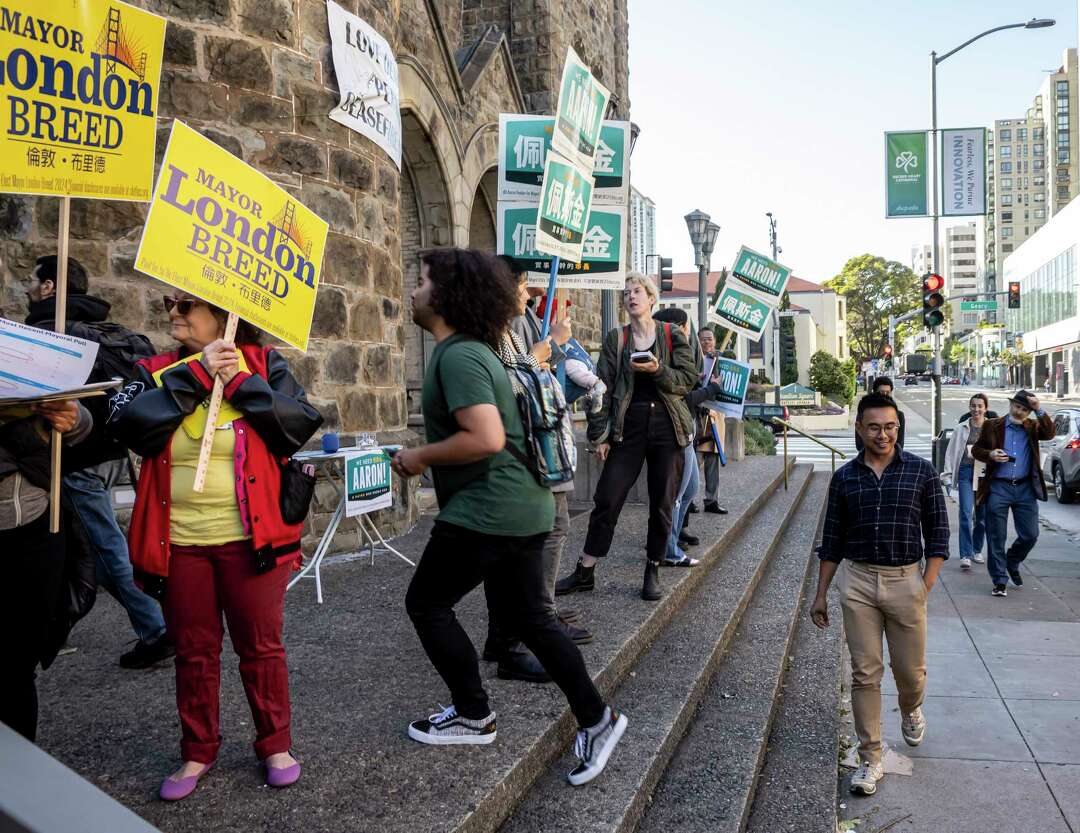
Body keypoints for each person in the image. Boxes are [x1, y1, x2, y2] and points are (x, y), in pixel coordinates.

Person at [394, 249, 626, 786]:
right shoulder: (476, 352)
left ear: (448, 295)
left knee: (427, 603)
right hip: (524, 506)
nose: (413, 291)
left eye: (422, 281)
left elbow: (487, 437)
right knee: (530, 618)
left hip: (487, 507)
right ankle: (598, 718)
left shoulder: (458, 356)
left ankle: (474, 714)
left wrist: (418, 457)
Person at [107, 291, 323, 800]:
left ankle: (276, 745)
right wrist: (199, 375)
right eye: (169, 303)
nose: (174, 313)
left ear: (226, 316)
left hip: (252, 543)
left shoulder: (265, 363)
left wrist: (241, 383)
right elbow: (133, 428)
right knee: (194, 652)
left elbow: (297, 425)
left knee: (261, 647)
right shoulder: (154, 369)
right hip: (179, 543)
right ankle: (197, 750)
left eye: (187, 304)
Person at [24, 255, 170, 669]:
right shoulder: (103, 326)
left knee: (105, 550)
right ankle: (55, 625)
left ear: (50, 287)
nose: (28, 288)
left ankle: (157, 630)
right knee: (73, 544)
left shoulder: (46, 331)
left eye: (33, 282)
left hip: (73, 456)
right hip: (112, 452)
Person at [811, 392, 949, 797]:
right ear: (859, 429)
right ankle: (871, 757)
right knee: (865, 673)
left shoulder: (921, 472)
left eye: (890, 427)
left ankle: (911, 708)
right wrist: (821, 594)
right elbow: (831, 540)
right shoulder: (845, 478)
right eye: (874, 427)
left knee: (910, 671)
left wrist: (924, 585)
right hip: (857, 582)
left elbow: (938, 534)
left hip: (906, 580)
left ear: (898, 428)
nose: (883, 434)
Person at [482, 256, 591, 684]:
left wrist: (540, 360)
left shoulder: (506, 331)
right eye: (523, 287)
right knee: (521, 543)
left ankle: (511, 635)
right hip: (513, 455)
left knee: (525, 541)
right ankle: (526, 629)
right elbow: (504, 385)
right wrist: (543, 353)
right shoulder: (488, 336)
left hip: (530, 449)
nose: (528, 296)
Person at [556, 273, 697, 601]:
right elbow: (600, 387)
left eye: (638, 291)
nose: (631, 296)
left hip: (667, 428)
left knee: (662, 503)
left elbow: (687, 379)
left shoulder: (671, 334)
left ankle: (653, 568)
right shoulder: (616, 338)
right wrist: (600, 435)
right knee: (607, 498)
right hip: (628, 428)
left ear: (651, 299)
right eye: (627, 293)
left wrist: (657, 370)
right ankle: (586, 570)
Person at [1, 393, 92, 742]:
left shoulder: (26, 340)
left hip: (34, 529)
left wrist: (73, 418)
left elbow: (80, 420)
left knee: (16, 666)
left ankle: (17, 782)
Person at [653, 308, 724, 567]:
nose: (688, 333)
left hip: (686, 433)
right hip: (675, 433)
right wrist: (710, 389)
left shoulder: (677, 355)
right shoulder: (664, 358)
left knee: (690, 489)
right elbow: (683, 401)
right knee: (676, 494)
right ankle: (667, 549)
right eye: (685, 327)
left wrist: (701, 381)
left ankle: (669, 543)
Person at [971, 389, 1055, 597]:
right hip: (999, 486)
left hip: (1025, 488)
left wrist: (1039, 409)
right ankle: (999, 580)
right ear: (1010, 406)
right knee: (996, 536)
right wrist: (990, 454)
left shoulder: (1032, 427)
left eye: (1025, 409)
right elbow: (976, 450)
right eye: (1017, 407)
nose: (1019, 412)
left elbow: (1050, 433)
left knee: (1030, 535)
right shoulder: (992, 425)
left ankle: (1012, 560)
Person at [942, 394, 990, 570]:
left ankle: (977, 549)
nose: (976, 409)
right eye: (973, 406)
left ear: (985, 408)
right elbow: (951, 452)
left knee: (982, 516)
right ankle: (965, 554)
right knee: (965, 513)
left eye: (979, 406)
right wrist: (946, 476)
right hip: (965, 472)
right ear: (970, 407)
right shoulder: (961, 428)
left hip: (984, 474)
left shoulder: (992, 428)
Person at [696, 328, 728, 515]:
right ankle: (688, 499)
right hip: (700, 415)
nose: (707, 342)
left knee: (713, 460)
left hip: (716, 416)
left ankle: (711, 500)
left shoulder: (721, 361)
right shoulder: (695, 360)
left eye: (710, 339)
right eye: (703, 339)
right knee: (694, 460)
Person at [855, 377, 906, 451]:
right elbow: (859, 444)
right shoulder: (863, 414)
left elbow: (900, 444)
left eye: (888, 393)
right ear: (874, 392)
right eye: (882, 392)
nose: (885, 396)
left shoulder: (899, 415)